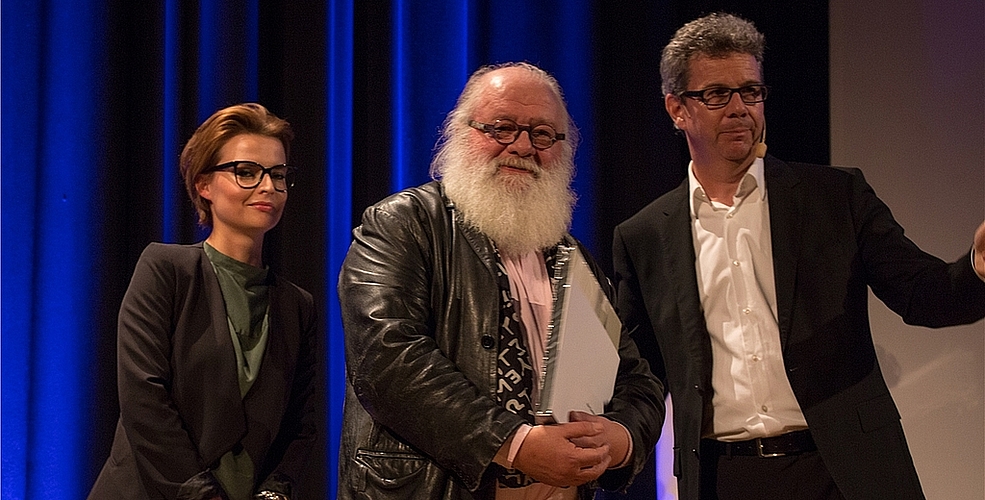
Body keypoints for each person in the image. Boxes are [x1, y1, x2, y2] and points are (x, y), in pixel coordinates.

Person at [608, 12, 985, 500]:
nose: (740, 108)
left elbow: (924, 294)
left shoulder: (836, 197)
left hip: (844, 471)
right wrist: (612, 441)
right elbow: (643, 376)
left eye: (751, 92)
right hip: (726, 479)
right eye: (718, 95)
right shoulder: (642, 238)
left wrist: (977, 267)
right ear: (678, 110)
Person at [336, 62, 664, 500]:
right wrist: (516, 444)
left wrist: (619, 439)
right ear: (462, 132)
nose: (524, 146)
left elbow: (636, 380)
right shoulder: (403, 224)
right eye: (502, 128)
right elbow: (387, 360)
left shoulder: (573, 257)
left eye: (543, 134)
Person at [89, 103, 319, 500]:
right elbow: (145, 401)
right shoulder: (166, 269)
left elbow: (299, 426)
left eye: (278, 176)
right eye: (246, 173)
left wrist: (275, 493)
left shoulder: (297, 306)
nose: (268, 187)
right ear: (203, 185)